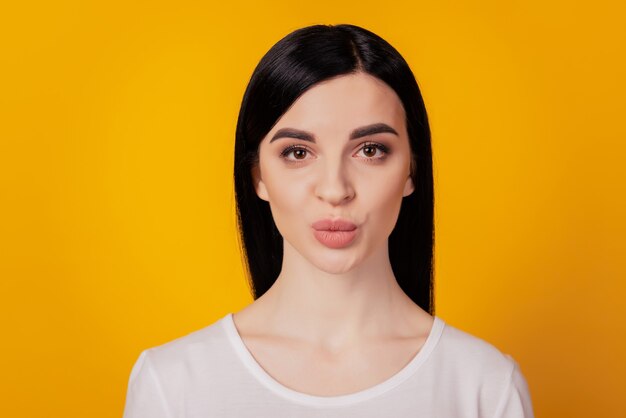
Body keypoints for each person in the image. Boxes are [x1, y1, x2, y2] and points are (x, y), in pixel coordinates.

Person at [122, 24, 535, 417]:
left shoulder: (485, 386)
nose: (335, 190)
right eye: (298, 153)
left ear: (411, 170)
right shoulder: (172, 384)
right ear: (258, 176)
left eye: (370, 150)